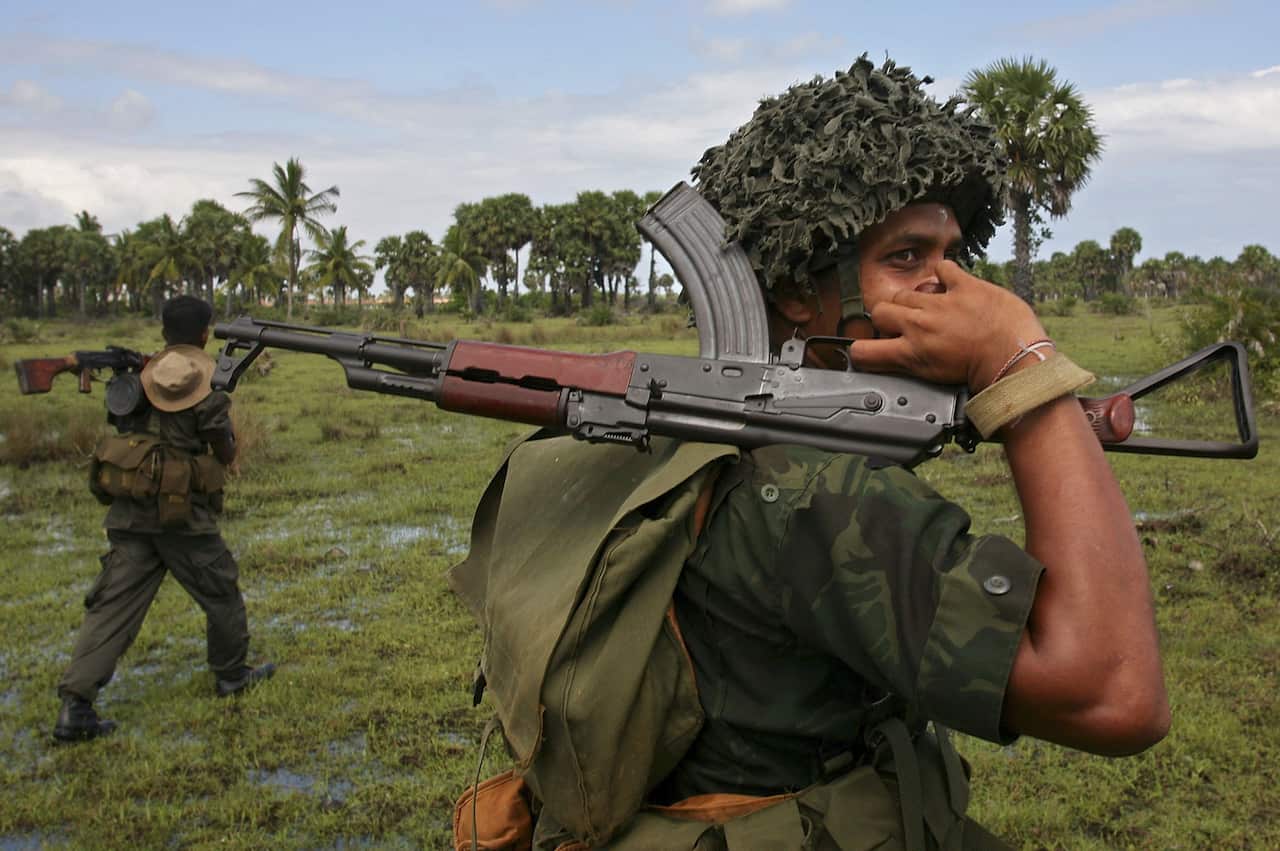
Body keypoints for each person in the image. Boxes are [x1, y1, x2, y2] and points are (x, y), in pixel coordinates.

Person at [452, 55, 1168, 850]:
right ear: (798, 290)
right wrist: (1023, 367)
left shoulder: (697, 431)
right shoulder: (807, 491)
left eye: (952, 255)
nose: (957, 291)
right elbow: (1115, 691)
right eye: (907, 258)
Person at [52, 295, 274, 743]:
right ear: (205, 334)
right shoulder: (205, 389)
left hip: (131, 510)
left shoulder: (135, 379)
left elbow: (120, 420)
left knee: (111, 606)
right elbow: (225, 451)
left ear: (162, 331)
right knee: (220, 590)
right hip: (182, 518)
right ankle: (231, 675)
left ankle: (75, 706)